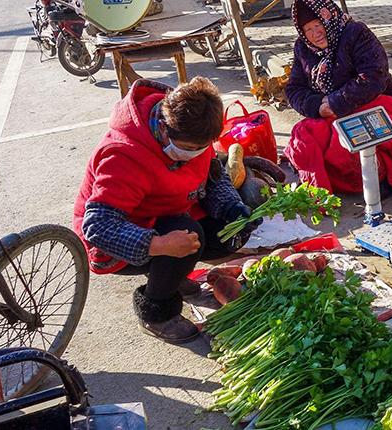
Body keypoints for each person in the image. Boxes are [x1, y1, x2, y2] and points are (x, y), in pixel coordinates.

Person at [73, 78, 261, 345]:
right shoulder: (123, 156)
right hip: (116, 240)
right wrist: (159, 245)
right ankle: (156, 311)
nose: (194, 154)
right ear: (164, 128)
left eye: (201, 148)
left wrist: (233, 210)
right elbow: (98, 228)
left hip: (168, 212)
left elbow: (213, 179)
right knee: (187, 235)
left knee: (226, 231)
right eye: (187, 148)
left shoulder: (195, 135)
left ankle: (173, 275)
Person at [284, 0, 392, 196]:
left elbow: (375, 76)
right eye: (308, 29)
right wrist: (317, 106)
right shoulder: (302, 48)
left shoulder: (355, 33)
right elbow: (294, 89)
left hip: (373, 99)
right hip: (328, 110)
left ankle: (376, 178)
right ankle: (335, 185)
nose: (315, 33)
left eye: (318, 24)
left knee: (345, 138)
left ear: (329, 17)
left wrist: (336, 102)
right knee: (305, 135)